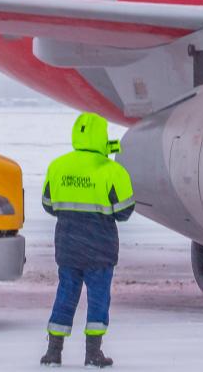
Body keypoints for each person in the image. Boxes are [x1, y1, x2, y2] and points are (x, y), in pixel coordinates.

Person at [39, 112, 135, 368]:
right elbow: (124, 212)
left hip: (68, 247)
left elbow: (48, 204)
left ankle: (53, 352)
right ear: (102, 137)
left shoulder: (58, 166)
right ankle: (93, 353)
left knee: (65, 295)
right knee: (98, 301)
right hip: (100, 250)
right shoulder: (112, 171)